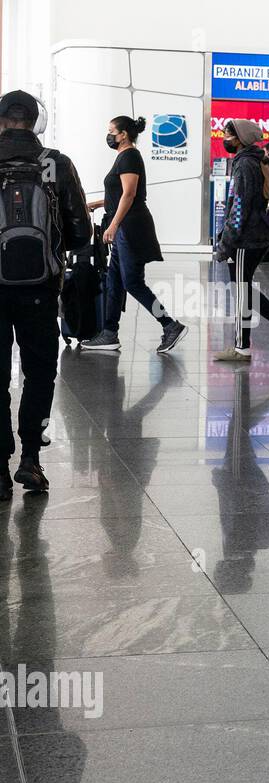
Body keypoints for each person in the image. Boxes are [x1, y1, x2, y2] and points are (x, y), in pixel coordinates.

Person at [0, 90, 92, 495]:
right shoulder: (56, 163)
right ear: (36, 121)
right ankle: (31, 460)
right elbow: (79, 231)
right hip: (41, 288)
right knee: (40, 374)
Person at [82, 115, 187, 354]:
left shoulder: (129, 155)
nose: (108, 135)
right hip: (125, 227)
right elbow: (120, 194)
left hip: (131, 228)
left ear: (124, 134)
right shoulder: (123, 156)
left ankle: (170, 325)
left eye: (111, 131)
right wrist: (98, 204)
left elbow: (129, 194)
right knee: (114, 282)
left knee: (132, 282)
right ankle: (109, 333)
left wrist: (113, 225)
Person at [212, 119, 269, 362]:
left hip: (245, 239)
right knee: (244, 288)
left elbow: (239, 207)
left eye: (228, 134)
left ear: (240, 138)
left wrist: (225, 243)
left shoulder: (244, 165)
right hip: (260, 236)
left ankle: (242, 347)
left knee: (241, 291)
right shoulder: (259, 160)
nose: (225, 138)